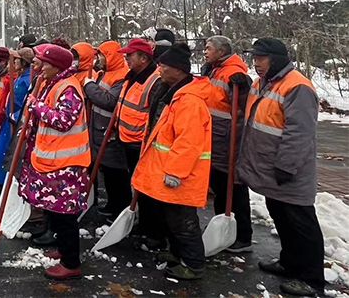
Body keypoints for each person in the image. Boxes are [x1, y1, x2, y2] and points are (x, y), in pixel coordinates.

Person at [237, 38, 324, 297]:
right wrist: (241, 90)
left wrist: (286, 166)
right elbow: (252, 112)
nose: (256, 64)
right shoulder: (262, 83)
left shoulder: (298, 86)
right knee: (281, 216)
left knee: (301, 223)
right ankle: (289, 262)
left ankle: (311, 278)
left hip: (289, 171)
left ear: (275, 59)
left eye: (261, 59)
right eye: (254, 59)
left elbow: (299, 132)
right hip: (270, 169)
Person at [132, 42, 212, 281]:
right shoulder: (177, 94)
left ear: (178, 70)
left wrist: (176, 172)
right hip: (168, 170)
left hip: (182, 175)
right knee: (173, 219)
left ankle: (194, 264)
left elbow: (189, 141)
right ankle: (177, 254)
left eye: (163, 66)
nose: (159, 70)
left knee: (183, 222)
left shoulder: (189, 101)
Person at [18, 43, 91, 281]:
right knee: (56, 210)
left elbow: (63, 120)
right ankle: (63, 248)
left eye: (44, 63)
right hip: (55, 161)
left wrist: (36, 106)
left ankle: (72, 263)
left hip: (68, 163)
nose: (40, 67)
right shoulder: (52, 84)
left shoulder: (68, 88)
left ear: (56, 66)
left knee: (65, 214)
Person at [201, 35, 253, 253]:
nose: (205, 51)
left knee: (233, 187)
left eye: (208, 48)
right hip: (214, 139)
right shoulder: (214, 70)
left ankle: (242, 236)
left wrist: (245, 87)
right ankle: (223, 227)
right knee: (220, 187)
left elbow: (245, 107)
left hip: (228, 141)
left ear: (221, 51)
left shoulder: (234, 74)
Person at [116, 37, 168, 246]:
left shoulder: (155, 82)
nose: (126, 59)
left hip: (142, 144)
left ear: (144, 58)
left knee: (149, 191)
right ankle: (145, 224)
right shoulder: (132, 77)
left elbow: (156, 115)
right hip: (128, 140)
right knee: (138, 186)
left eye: (130, 55)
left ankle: (156, 232)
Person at [83, 40, 131, 218]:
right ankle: (112, 204)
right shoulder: (104, 73)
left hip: (110, 130)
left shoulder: (121, 76)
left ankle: (120, 206)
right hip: (99, 127)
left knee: (115, 172)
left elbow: (109, 101)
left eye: (101, 55)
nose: (98, 59)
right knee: (108, 170)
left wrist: (89, 86)